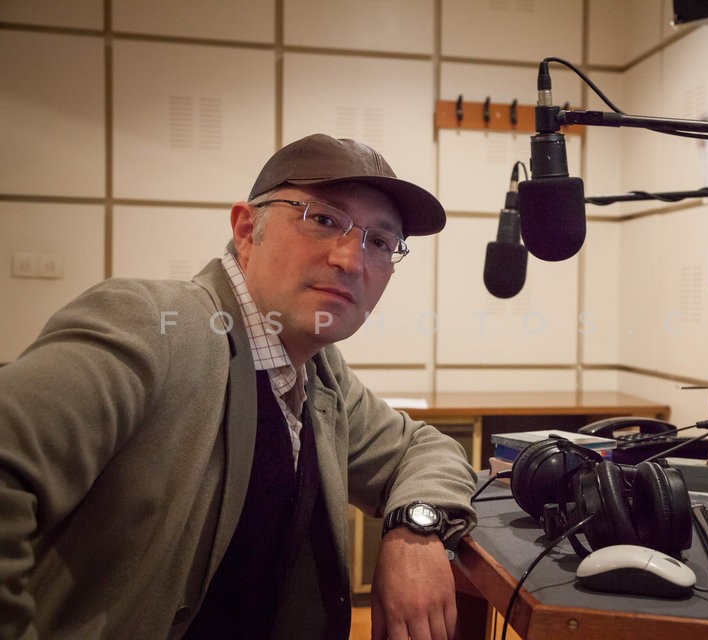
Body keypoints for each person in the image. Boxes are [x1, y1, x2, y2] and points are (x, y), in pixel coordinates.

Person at [0, 134, 478, 639]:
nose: (351, 260)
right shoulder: (154, 327)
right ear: (247, 230)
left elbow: (423, 449)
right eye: (323, 219)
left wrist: (415, 531)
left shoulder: (316, 372)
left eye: (379, 242)